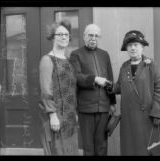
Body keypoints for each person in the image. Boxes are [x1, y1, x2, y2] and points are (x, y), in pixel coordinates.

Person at [107, 30, 160, 156]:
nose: (133, 48)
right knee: (129, 147)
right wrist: (110, 86)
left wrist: (156, 112)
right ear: (126, 48)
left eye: (136, 45)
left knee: (145, 148)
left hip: (146, 116)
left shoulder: (151, 65)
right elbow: (120, 86)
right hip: (128, 117)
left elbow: (159, 89)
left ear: (142, 47)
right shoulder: (124, 66)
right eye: (129, 45)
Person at [69, 24, 116, 156]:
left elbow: (110, 79)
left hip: (103, 108)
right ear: (84, 36)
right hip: (86, 108)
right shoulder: (76, 54)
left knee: (102, 145)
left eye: (96, 35)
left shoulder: (104, 54)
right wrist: (94, 79)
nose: (93, 38)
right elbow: (76, 77)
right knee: (88, 148)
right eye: (90, 35)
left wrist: (112, 102)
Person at [38, 20, 78, 155]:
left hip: (70, 117)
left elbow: (71, 88)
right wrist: (52, 115)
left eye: (66, 35)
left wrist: (74, 112)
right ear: (53, 36)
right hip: (56, 117)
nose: (64, 37)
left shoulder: (68, 61)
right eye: (60, 34)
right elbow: (46, 90)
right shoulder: (47, 60)